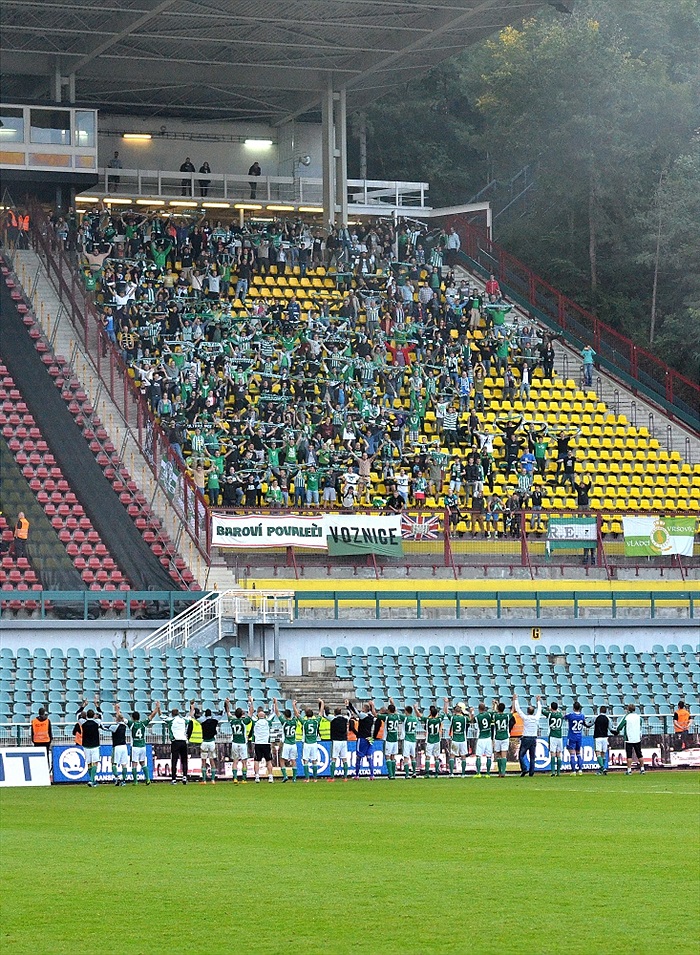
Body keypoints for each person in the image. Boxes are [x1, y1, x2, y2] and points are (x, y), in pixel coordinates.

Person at [127, 703, 158, 785]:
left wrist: (117, 710)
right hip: (143, 746)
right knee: (143, 763)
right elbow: (152, 716)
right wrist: (157, 708)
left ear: (132, 718)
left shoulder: (132, 724)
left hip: (135, 747)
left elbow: (121, 718)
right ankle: (147, 779)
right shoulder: (143, 723)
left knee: (134, 764)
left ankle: (135, 781)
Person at [75, 699, 104, 787]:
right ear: (94, 715)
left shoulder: (83, 722)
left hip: (86, 745)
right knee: (95, 762)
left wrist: (84, 705)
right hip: (95, 745)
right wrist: (96, 705)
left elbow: (77, 714)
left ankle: (92, 780)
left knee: (89, 763)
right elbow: (101, 714)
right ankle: (92, 780)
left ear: (86, 715)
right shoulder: (97, 722)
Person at [293, 699, 323, 781]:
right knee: (314, 761)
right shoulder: (316, 721)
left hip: (306, 743)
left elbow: (297, 714)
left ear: (305, 715)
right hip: (314, 743)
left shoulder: (304, 722)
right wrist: (322, 703)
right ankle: (315, 779)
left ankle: (307, 778)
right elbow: (321, 713)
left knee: (305, 760)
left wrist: (294, 705)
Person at [513, 693, 541, 778]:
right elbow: (539, 710)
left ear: (527, 712)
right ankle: (531, 772)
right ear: (533, 712)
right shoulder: (536, 718)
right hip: (533, 739)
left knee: (521, 755)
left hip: (526, 738)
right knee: (532, 756)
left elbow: (518, 709)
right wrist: (538, 702)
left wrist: (515, 699)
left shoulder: (525, 718)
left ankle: (524, 768)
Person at [322, 700, 352, 780]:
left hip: (336, 741)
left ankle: (332, 777)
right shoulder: (345, 719)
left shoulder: (333, 719)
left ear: (334, 713)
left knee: (334, 759)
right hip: (344, 741)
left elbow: (325, 715)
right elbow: (350, 714)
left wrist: (323, 706)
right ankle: (345, 777)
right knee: (344, 759)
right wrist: (347, 706)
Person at [224, 699, 252, 783]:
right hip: (242, 743)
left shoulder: (232, 720)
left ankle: (235, 778)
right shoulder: (244, 721)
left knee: (235, 761)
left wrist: (227, 704)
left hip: (234, 743)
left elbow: (228, 712)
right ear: (242, 714)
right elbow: (251, 713)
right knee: (244, 762)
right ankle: (244, 779)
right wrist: (251, 702)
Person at [348, 700, 376, 779]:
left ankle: (357, 775)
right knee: (369, 756)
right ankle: (372, 775)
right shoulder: (371, 716)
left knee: (358, 756)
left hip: (362, 738)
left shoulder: (363, 716)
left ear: (365, 709)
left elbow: (355, 710)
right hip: (369, 738)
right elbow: (373, 712)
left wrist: (349, 704)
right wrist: (372, 706)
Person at [249, 697, 274, 783]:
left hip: (258, 743)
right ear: (264, 715)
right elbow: (273, 713)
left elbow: (251, 712)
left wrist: (251, 702)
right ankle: (270, 776)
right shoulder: (268, 721)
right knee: (269, 760)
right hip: (266, 743)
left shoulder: (255, 721)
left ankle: (257, 776)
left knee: (256, 760)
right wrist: (274, 703)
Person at [375, 699, 402, 780]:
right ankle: (393, 774)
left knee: (387, 756)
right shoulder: (397, 716)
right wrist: (392, 702)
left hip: (388, 739)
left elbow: (375, 714)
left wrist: (372, 706)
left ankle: (390, 774)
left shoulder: (387, 717)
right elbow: (395, 710)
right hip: (395, 739)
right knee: (393, 757)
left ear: (389, 710)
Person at [273, 699, 299, 782]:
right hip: (293, 743)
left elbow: (277, 712)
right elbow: (297, 714)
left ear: (284, 715)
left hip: (286, 743)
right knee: (293, 760)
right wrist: (294, 705)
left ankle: (285, 776)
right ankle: (294, 778)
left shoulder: (284, 721)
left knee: (282, 759)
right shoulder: (294, 721)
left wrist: (275, 703)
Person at [616, 704, 646, 775]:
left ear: (628, 709)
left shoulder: (627, 717)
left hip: (629, 738)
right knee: (639, 754)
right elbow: (640, 725)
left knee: (629, 755)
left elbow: (620, 726)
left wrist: (617, 730)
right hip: (637, 738)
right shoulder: (639, 717)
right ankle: (642, 769)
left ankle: (629, 770)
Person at [163, 705, 189, 784]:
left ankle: (174, 779)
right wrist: (191, 706)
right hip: (183, 741)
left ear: (172, 714)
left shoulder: (171, 720)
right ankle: (184, 777)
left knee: (174, 760)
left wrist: (158, 708)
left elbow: (161, 716)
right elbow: (190, 717)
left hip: (175, 742)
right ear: (178, 713)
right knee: (184, 760)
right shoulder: (183, 720)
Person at [196, 703, 220, 784]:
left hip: (204, 742)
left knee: (203, 761)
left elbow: (195, 717)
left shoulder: (203, 721)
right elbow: (222, 714)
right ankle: (213, 780)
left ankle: (204, 780)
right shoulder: (215, 720)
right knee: (212, 760)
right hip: (212, 742)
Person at [417, 703, 443, 778]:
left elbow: (420, 716)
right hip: (437, 739)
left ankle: (427, 773)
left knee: (428, 756)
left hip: (429, 740)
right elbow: (444, 713)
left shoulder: (428, 720)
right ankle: (436, 773)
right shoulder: (439, 719)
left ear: (430, 713)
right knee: (437, 757)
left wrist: (415, 708)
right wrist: (445, 703)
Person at [470, 702, 494, 778]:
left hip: (481, 738)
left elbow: (471, 720)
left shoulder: (477, 717)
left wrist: (472, 712)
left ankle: (478, 773)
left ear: (478, 709)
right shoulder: (489, 715)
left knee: (478, 756)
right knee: (489, 756)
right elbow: (494, 711)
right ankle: (488, 773)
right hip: (488, 738)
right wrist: (494, 705)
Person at [108, 707, 131, 786]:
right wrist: (117, 710)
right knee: (124, 764)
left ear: (117, 719)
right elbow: (121, 718)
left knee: (114, 763)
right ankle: (123, 780)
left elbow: (105, 728)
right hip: (124, 746)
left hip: (117, 747)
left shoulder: (114, 727)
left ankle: (117, 778)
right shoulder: (124, 725)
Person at [542, 701, 565, 777]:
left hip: (552, 736)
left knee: (552, 753)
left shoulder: (550, 714)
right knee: (559, 754)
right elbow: (559, 712)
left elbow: (542, 711)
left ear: (551, 707)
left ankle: (553, 772)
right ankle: (558, 772)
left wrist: (549, 710)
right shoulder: (560, 714)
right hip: (560, 736)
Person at [565, 701, 587, 775]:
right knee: (578, 753)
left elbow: (564, 717)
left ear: (573, 708)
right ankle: (580, 770)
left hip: (572, 736)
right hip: (579, 736)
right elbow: (585, 723)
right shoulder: (582, 716)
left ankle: (573, 771)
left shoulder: (571, 715)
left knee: (572, 754)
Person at [30, 706, 52, 775]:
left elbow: (32, 732)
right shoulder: (47, 721)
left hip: (37, 741)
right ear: (44, 713)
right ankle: (47, 769)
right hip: (46, 740)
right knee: (46, 755)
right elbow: (50, 731)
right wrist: (50, 739)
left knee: (38, 756)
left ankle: (38, 769)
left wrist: (33, 740)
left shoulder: (34, 721)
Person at [492, 702, 510, 778]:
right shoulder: (507, 716)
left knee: (498, 755)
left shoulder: (495, 716)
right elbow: (513, 711)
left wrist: (494, 705)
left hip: (497, 737)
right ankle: (503, 772)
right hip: (505, 737)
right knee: (504, 755)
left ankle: (500, 772)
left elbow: (493, 712)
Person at [401, 705, 419, 779]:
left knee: (406, 757)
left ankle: (407, 774)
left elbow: (395, 713)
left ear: (406, 711)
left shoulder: (405, 718)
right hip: (413, 739)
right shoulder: (415, 718)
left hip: (407, 739)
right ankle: (414, 772)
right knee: (413, 756)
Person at [593, 706, 612, 775]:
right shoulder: (608, 719)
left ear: (599, 711)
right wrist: (616, 732)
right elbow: (611, 728)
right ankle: (602, 770)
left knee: (598, 753)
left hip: (598, 737)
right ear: (606, 711)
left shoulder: (596, 718)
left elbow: (589, 724)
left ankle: (602, 767)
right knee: (603, 754)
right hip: (605, 737)